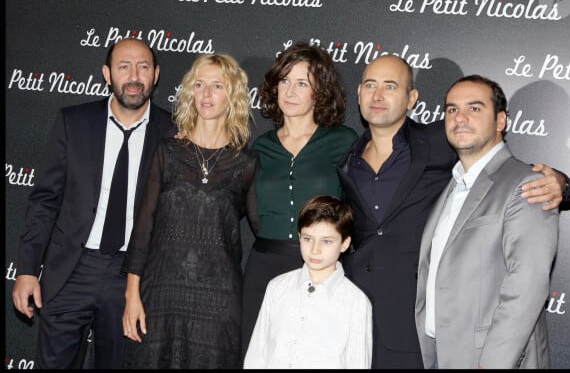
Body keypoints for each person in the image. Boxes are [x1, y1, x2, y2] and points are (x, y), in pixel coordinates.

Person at [336, 54, 570, 369]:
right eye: (370, 85)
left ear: (412, 98)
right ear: (358, 94)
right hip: (370, 318)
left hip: (427, 329)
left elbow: (506, 176)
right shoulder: (346, 156)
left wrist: (561, 183)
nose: (378, 96)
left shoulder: (440, 140)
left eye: (390, 86)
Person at [11, 37, 177, 369]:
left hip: (132, 278)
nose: (133, 76)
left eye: (143, 67)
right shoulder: (73, 122)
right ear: (107, 73)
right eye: (123, 67)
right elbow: (44, 200)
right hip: (71, 270)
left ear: (156, 75)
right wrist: (28, 269)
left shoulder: (173, 132)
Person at [121, 53, 259, 369]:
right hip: (160, 296)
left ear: (234, 96)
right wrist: (132, 294)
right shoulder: (168, 151)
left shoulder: (246, 163)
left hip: (219, 302)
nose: (206, 94)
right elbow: (143, 229)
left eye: (217, 86)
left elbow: (264, 231)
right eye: (199, 85)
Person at [414, 74, 559, 368]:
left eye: (475, 108)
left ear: (501, 121)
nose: (460, 118)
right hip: (442, 353)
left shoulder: (526, 184)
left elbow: (526, 287)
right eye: (452, 109)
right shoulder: (453, 183)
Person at [241, 41, 359, 357]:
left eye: (302, 83)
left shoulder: (343, 141)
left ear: (319, 92)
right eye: (285, 81)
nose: (291, 91)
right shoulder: (260, 146)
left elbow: (358, 206)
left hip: (320, 267)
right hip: (264, 266)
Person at [244, 195, 372, 369]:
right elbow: (257, 356)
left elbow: (358, 363)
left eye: (326, 241)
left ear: (344, 243)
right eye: (308, 238)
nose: (315, 250)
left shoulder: (356, 302)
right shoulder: (277, 287)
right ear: (299, 236)